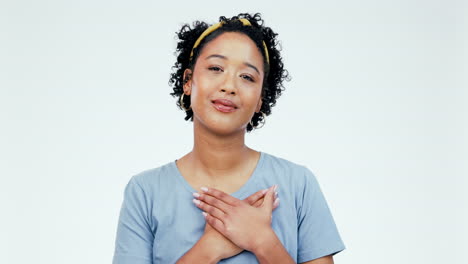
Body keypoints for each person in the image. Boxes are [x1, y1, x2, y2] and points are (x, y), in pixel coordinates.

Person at [112, 13, 346, 264]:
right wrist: (210, 248)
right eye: (215, 68)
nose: (229, 86)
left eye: (247, 77)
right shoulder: (145, 192)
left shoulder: (298, 184)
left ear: (260, 100)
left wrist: (262, 241)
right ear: (188, 81)